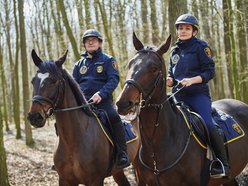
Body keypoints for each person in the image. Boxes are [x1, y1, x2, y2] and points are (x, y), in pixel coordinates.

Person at [166, 14, 229, 178]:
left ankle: (222, 163)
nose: (183, 31)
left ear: (194, 31)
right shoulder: (174, 50)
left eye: (187, 28)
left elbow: (210, 72)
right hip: (177, 97)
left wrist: (192, 80)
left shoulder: (201, 47)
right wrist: (168, 80)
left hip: (197, 95)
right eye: (180, 28)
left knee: (208, 124)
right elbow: (171, 74)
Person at [72, 29, 129, 169]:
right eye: (87, 40)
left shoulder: (108, 60)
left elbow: (113, 80)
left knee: (114, 117)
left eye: (94, 40)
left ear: (100, 43)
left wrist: (100, 94)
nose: (90, 42)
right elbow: (73, 84)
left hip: (103, 103)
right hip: (82, 104)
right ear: (84, 44)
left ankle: (122, 153)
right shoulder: (79, 65)